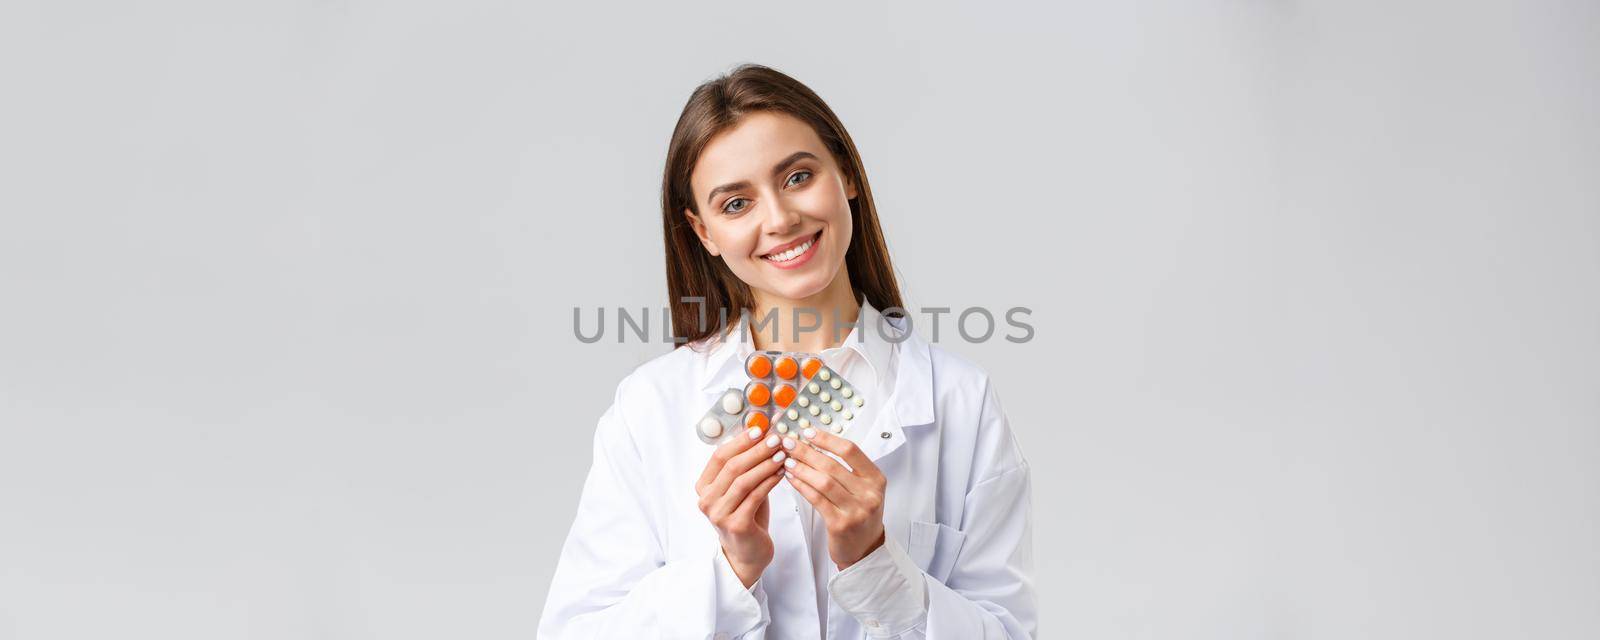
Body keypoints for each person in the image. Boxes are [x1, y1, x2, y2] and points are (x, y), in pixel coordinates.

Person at [538, 64, 1036, 639]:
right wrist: (731, 569)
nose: (779, 220)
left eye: (798, 176)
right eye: (735, 205)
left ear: (845, 174)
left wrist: (874, 561)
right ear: (704, 234)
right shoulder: (651, 405)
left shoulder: (959, 401)